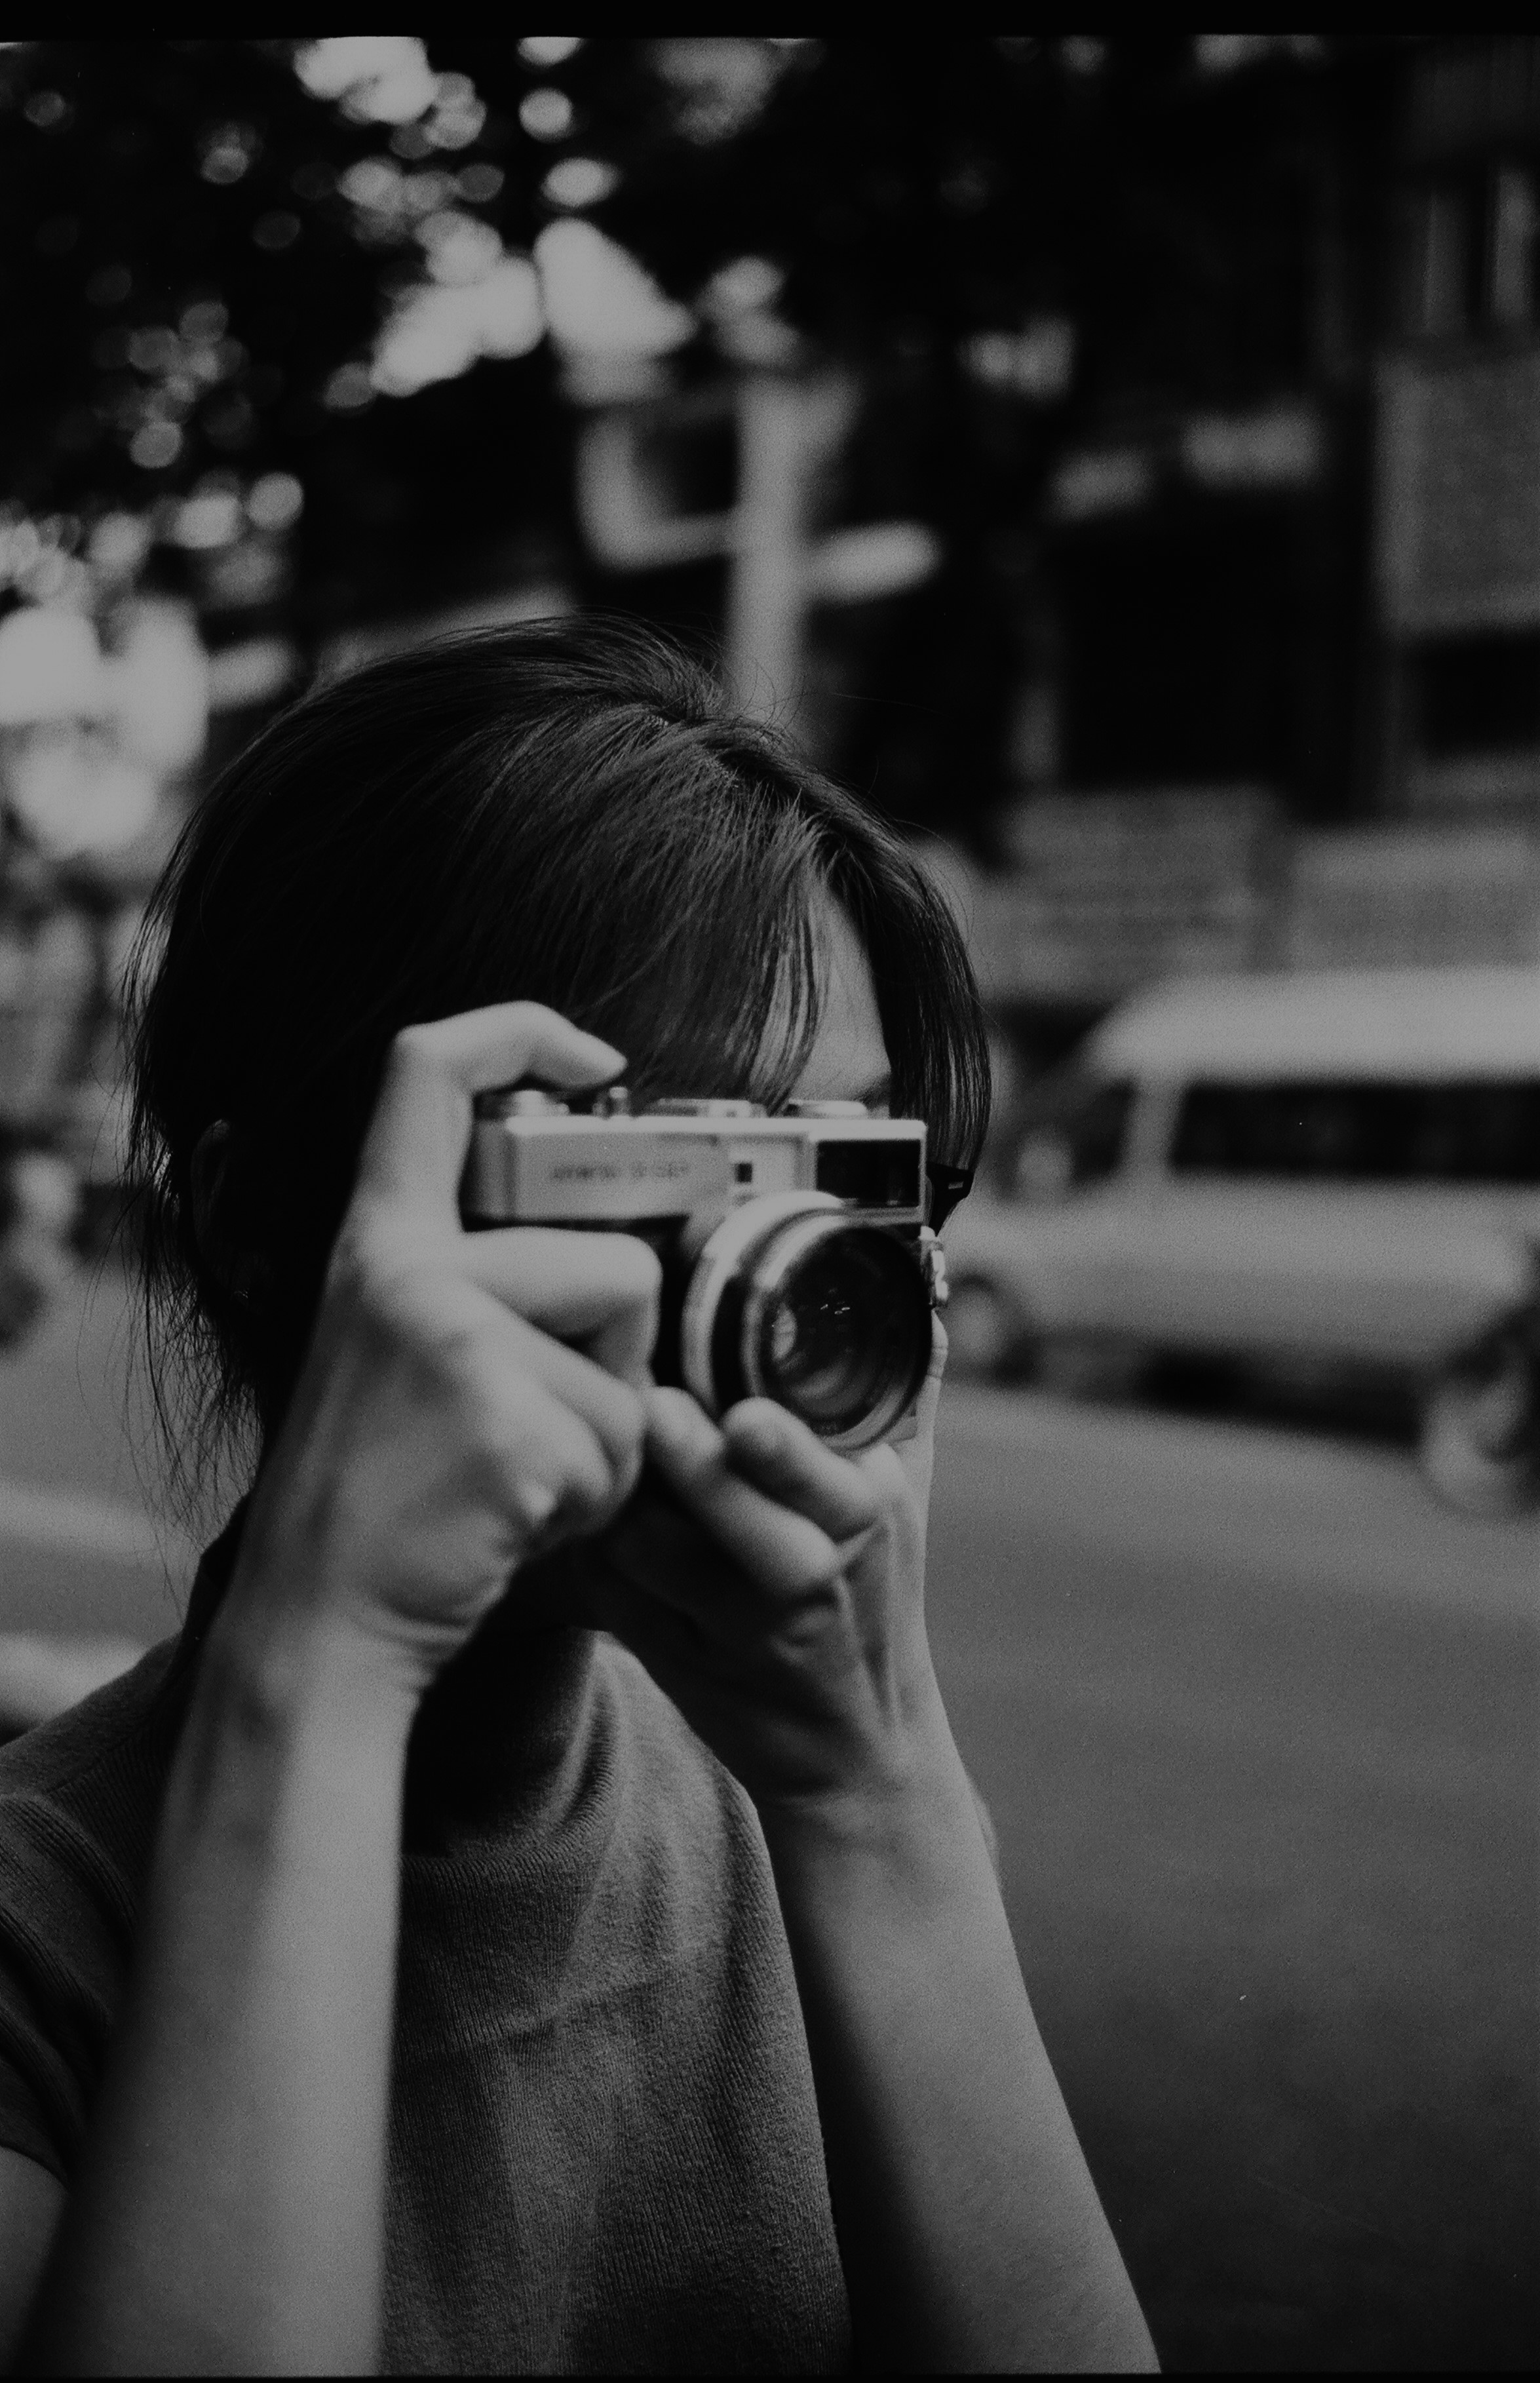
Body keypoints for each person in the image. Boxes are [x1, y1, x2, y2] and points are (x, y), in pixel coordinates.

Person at [0, 619, 1157, 2374]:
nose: (778, 1265)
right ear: (256, 1215)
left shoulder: (803, 1805)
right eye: (652, 1150)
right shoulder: (36, 1940)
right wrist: (324, 1667)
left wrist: (881, 1780)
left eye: (833, 1169)